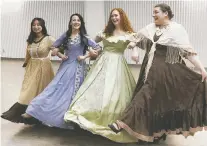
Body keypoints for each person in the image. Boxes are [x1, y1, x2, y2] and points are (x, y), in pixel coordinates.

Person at [108, 3, 207, 144]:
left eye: (156, 12)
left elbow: (188, 52)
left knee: (146, 95)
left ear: (165, 13)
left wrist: (202, 69)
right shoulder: (150, 28)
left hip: (166, 71)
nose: (153, 15)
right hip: (148, 68)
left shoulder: (177, 30)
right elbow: (135, 39)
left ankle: (122, 123)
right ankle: (156, 132)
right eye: (153, 12)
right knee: (155, 102)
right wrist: (135, 51)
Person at [64, 8, 139, 143]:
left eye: (116, 15)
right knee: (95, 89)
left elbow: (134, 44)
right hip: (102, 63)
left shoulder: (129, 34)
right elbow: (90, 43)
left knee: (115, 93)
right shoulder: (105, 33)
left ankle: (112, 121)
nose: (114, 18)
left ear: (122, 17)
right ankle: (87, 118)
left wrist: (135, 52)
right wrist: (90, 53)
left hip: (118, 64)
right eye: (112, 16)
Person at [21, 13, 101, 129]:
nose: (76, 22)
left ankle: (71, 118)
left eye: (78, 20)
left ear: (81, 23)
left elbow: (98, 48)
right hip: (65, 66)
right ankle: (34, 109)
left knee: (72, 93)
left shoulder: (84, 37)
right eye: (73, 20)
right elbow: (53, 46)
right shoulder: (66, 35)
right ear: (70, 23)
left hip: (78, 68)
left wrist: (85, 56)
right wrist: (60, 54)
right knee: (54, 88)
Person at [1, 17, 55, 123]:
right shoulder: (30, 40)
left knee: (41, 90)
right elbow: (28, 54)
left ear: (43, 26)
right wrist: (26, 63)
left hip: (44, 67)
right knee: (28, 90)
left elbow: (60, 47)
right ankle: (25, 112)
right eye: (34, 25)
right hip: (31, 67)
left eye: (38, 25)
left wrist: (59, 53)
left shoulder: (49, 39)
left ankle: (37, 114)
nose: (36, 27)